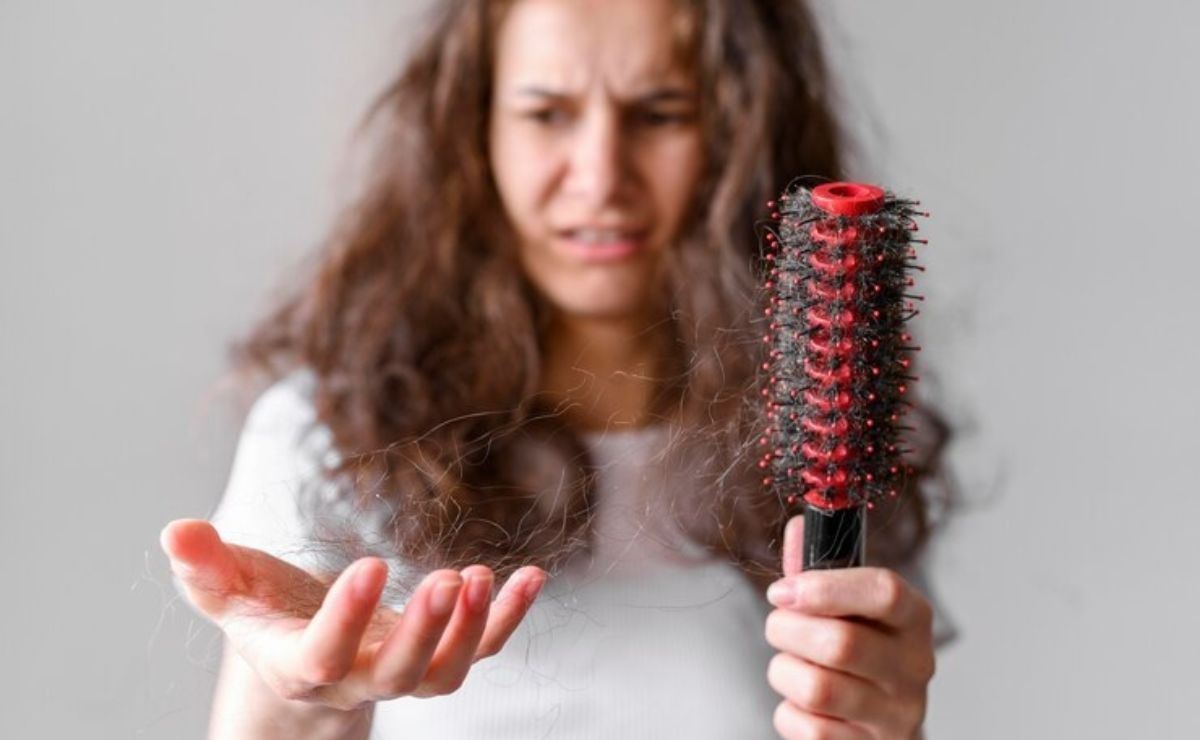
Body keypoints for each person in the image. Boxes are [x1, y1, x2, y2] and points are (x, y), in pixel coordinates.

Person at [160, 0, 953, 737]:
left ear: (742, 131)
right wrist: (298, 691)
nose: (601, 175)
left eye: (660, 113)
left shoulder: (826, 444)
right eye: (547, 114)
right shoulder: (327, 435)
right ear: (476, 130)